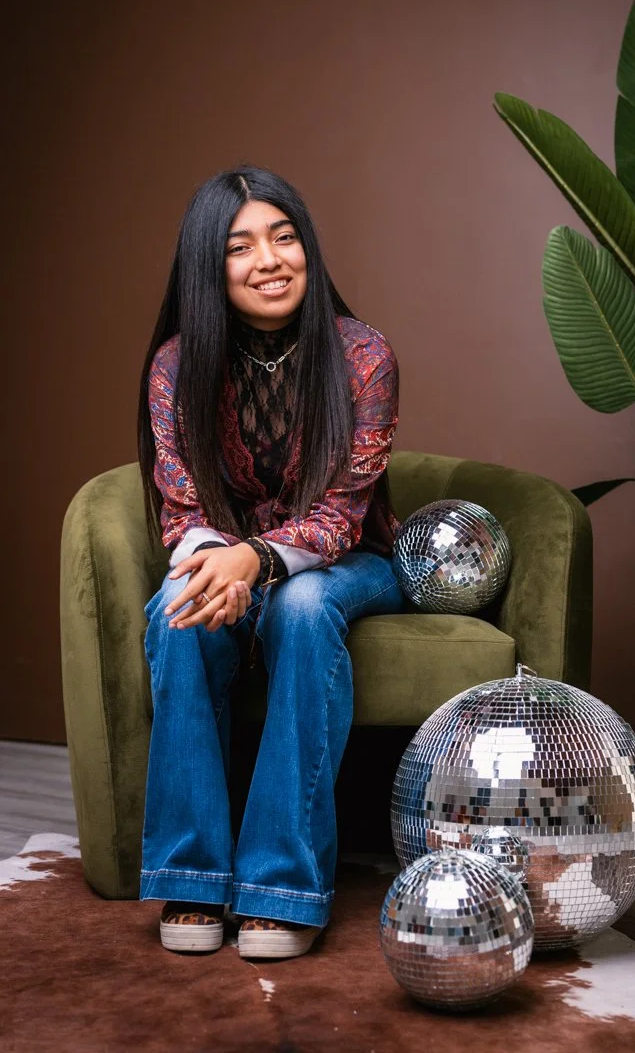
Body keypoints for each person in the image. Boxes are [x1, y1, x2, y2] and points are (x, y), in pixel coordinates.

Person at [136, 166, 405, 959]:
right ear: (208, 267)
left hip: (351, 562)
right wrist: (216, 569)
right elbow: (183, 508)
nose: (270, 260)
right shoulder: (176, 365)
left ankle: (282, 887)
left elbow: (341, 515)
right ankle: (190, 878)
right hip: (229, 558)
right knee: (178, 612)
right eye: (241, 246)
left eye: (285, 238)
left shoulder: (364, 355)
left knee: (302, 605)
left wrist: (255, 561)